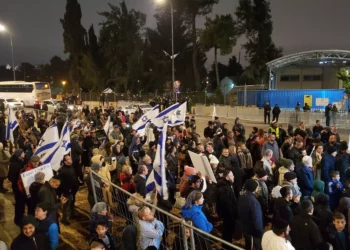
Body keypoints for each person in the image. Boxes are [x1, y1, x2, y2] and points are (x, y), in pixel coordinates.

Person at [237, 179, 263, 250]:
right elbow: (257, 220)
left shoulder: (241, 197)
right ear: (254, 189)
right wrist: (260, 232)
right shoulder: (254, 202)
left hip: (245, 229)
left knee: (248, 245)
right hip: (253, 233)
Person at [216, 170, 237, 249]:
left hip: (229, 214)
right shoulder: (224, 189)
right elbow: (225, 204)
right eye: (231, 175)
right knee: (227, 231)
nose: (233, 176)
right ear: (227, 178)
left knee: (228, 231)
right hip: (228, 215)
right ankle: (226, 247)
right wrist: (232, 213)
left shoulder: (228, 185)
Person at [57, 154, 79, 225]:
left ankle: (72, 213)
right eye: (68, 159)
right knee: (66, 205)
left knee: (72, 202)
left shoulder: (71, 167)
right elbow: (61, 183)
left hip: (73, 190)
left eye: (70, 158)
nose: (70, 159)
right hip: (67, 191)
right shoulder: (62, 171)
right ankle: (64, 219)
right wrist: (64, 191)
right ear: (65, 162)